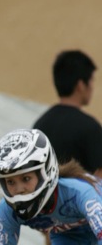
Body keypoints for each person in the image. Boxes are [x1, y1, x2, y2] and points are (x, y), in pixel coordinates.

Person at [33, 49, 102, 177]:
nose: (93, 87)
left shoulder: (39, 126)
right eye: (92, 80)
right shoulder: (89, 128)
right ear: (81, 85)